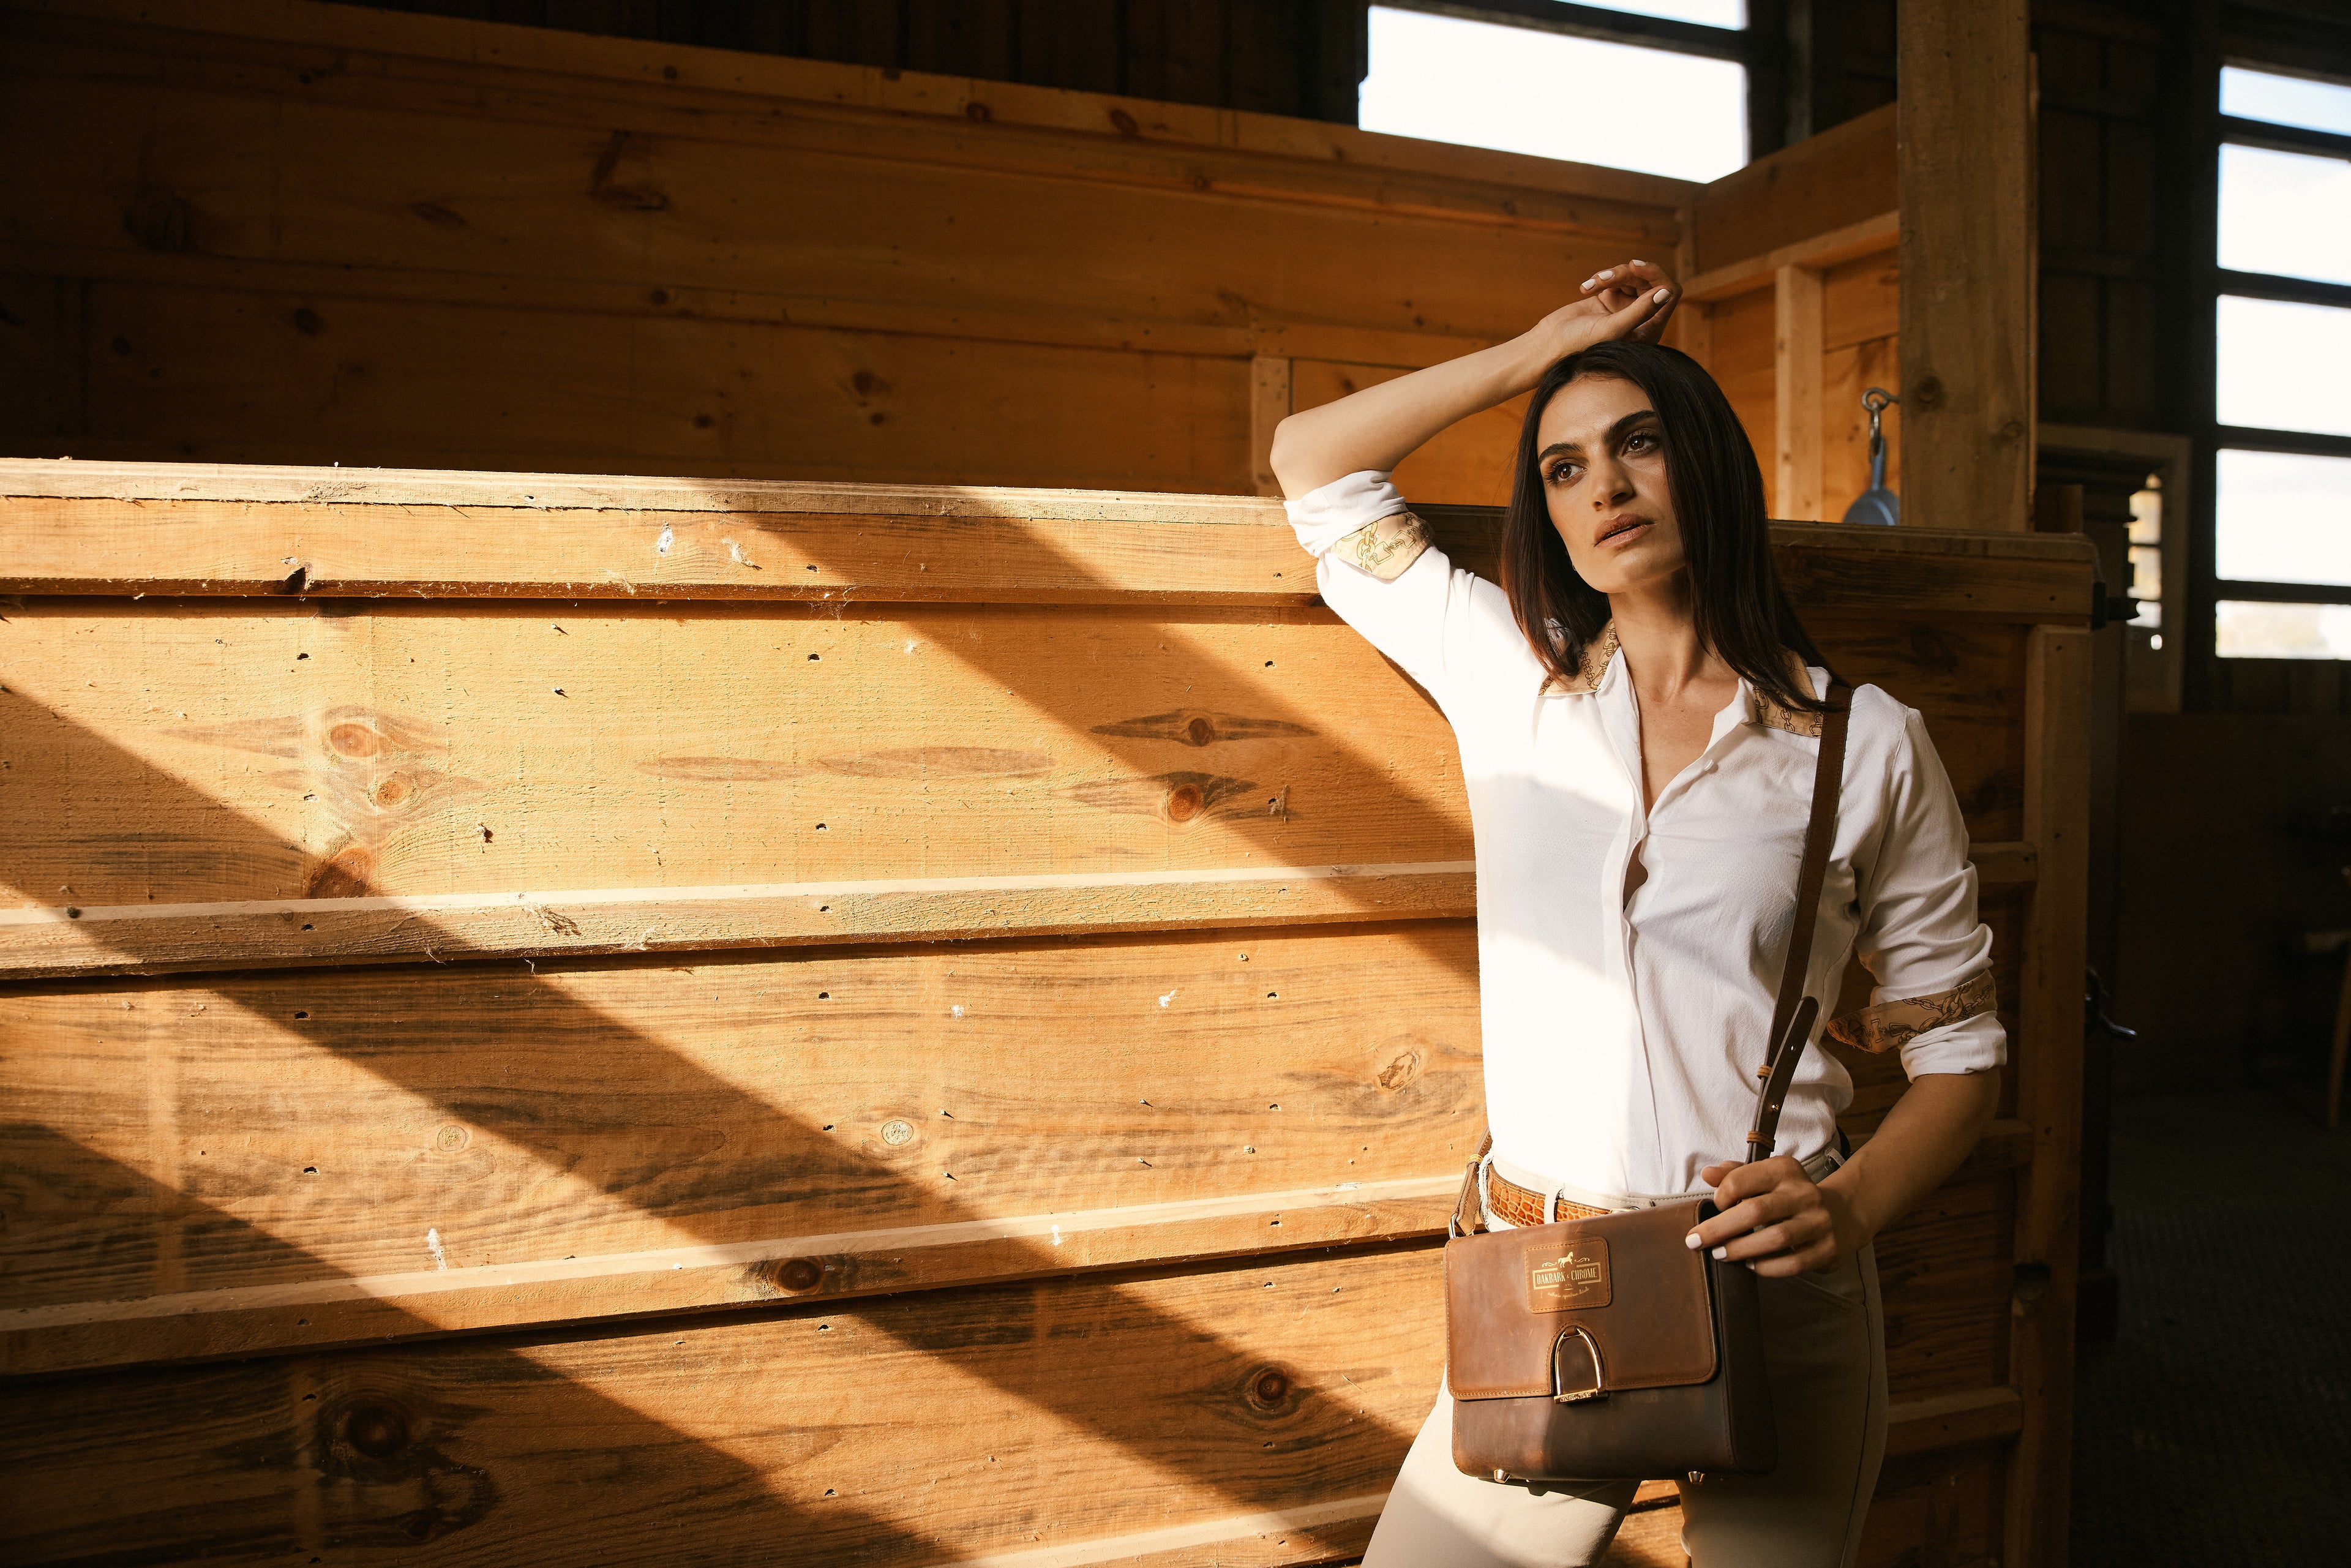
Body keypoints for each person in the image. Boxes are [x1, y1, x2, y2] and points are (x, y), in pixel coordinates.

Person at [1269, 260, 2004, 1568]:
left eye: (1638, 445)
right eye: (1561, 469)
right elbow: (1313, 461)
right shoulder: (1509, 682)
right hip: (1547, 1292)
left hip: (1781, 1290)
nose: (1602, 486)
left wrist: (1852, 1211)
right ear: (1546, 515)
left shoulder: (1865, 744)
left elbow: (1959, 1049)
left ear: (1705, 466)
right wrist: (1539, 349)